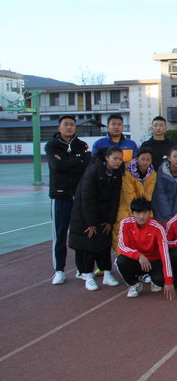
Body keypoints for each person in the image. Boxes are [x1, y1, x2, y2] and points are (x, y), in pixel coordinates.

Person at [68, 146, 124, 291]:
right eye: (115, 158)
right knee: (88, 245)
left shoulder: (117, 173)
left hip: (103, 214)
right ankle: (88, 276)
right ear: (107, 158)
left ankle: (107, 274)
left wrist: (110, 220)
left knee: (104, 244)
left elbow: (115, 198)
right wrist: (91, 223)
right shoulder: (93, 171)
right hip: (84, 214)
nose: (118, 162)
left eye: (120, 159)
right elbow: (87, 198)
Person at [46, 115, 90, 285]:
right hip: (60, 195)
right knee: (60, 234)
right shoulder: (52, 145)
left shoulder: (82, 145)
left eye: (72, 124)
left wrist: (67, 162)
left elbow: (84, 166)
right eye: (66, 124)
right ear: (59, 127)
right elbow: (56, 166)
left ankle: (82, 269)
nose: (69, 127)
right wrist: (76, 161)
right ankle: (59, 270)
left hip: (79, 197)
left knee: (80, 234)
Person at [115, 198, 177, 300]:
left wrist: (168, 281)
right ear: (132, 213)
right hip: (137, 260)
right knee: (121, 261)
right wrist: (138, 255)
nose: (141, 216)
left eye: (144, 212)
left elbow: (164, 254)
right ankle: (134, 284)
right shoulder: (125, 223)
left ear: (149, 212)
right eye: (138, 213)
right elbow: (122, 246)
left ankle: (153, 279)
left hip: (154, 260)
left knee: (161, 281)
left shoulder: (157, 227)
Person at [113, 148, 156, 249]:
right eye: (142, 159)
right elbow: (129, 196)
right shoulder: (127, 173)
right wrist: (137, 212)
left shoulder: (152, 174)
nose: (145, 162)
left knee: (148, 223)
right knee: (124, 230)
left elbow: (148, 195)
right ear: (137, 159)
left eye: (148, 159)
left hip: (143, 205)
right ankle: (122, 255)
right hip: (127, 206)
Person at [152, 146, 177, 224]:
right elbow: (160, 194)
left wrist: (175, 215)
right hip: (161, 211)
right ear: (169, 158)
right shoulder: (161, 172)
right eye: (175, 156)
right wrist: (168, 215)